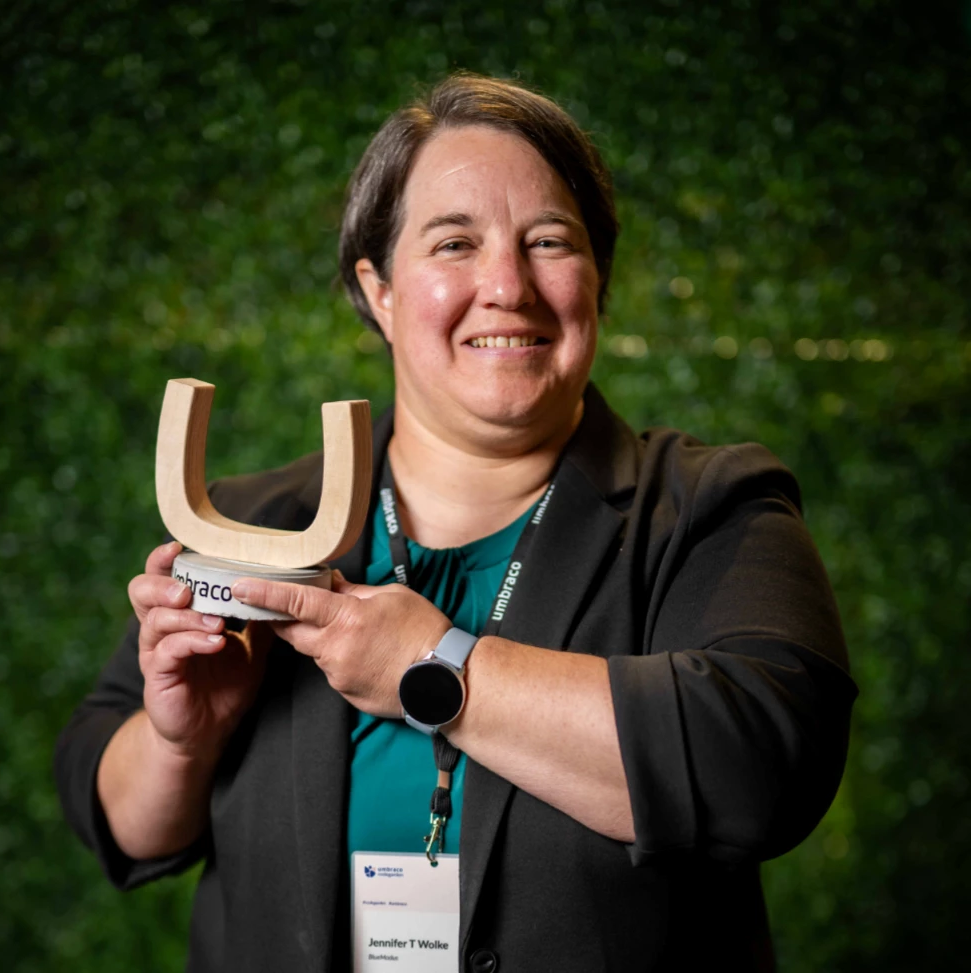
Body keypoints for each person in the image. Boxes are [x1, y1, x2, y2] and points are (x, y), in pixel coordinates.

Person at [55, 73, 857, 972]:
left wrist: (435, 667)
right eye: (454, 242)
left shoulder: (712, 506)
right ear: (380, 288)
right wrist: (182, 740)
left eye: (549, 241)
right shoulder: (253, 529)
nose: (507, 285)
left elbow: (761, 768)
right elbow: (113, 817)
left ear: (599, 279)